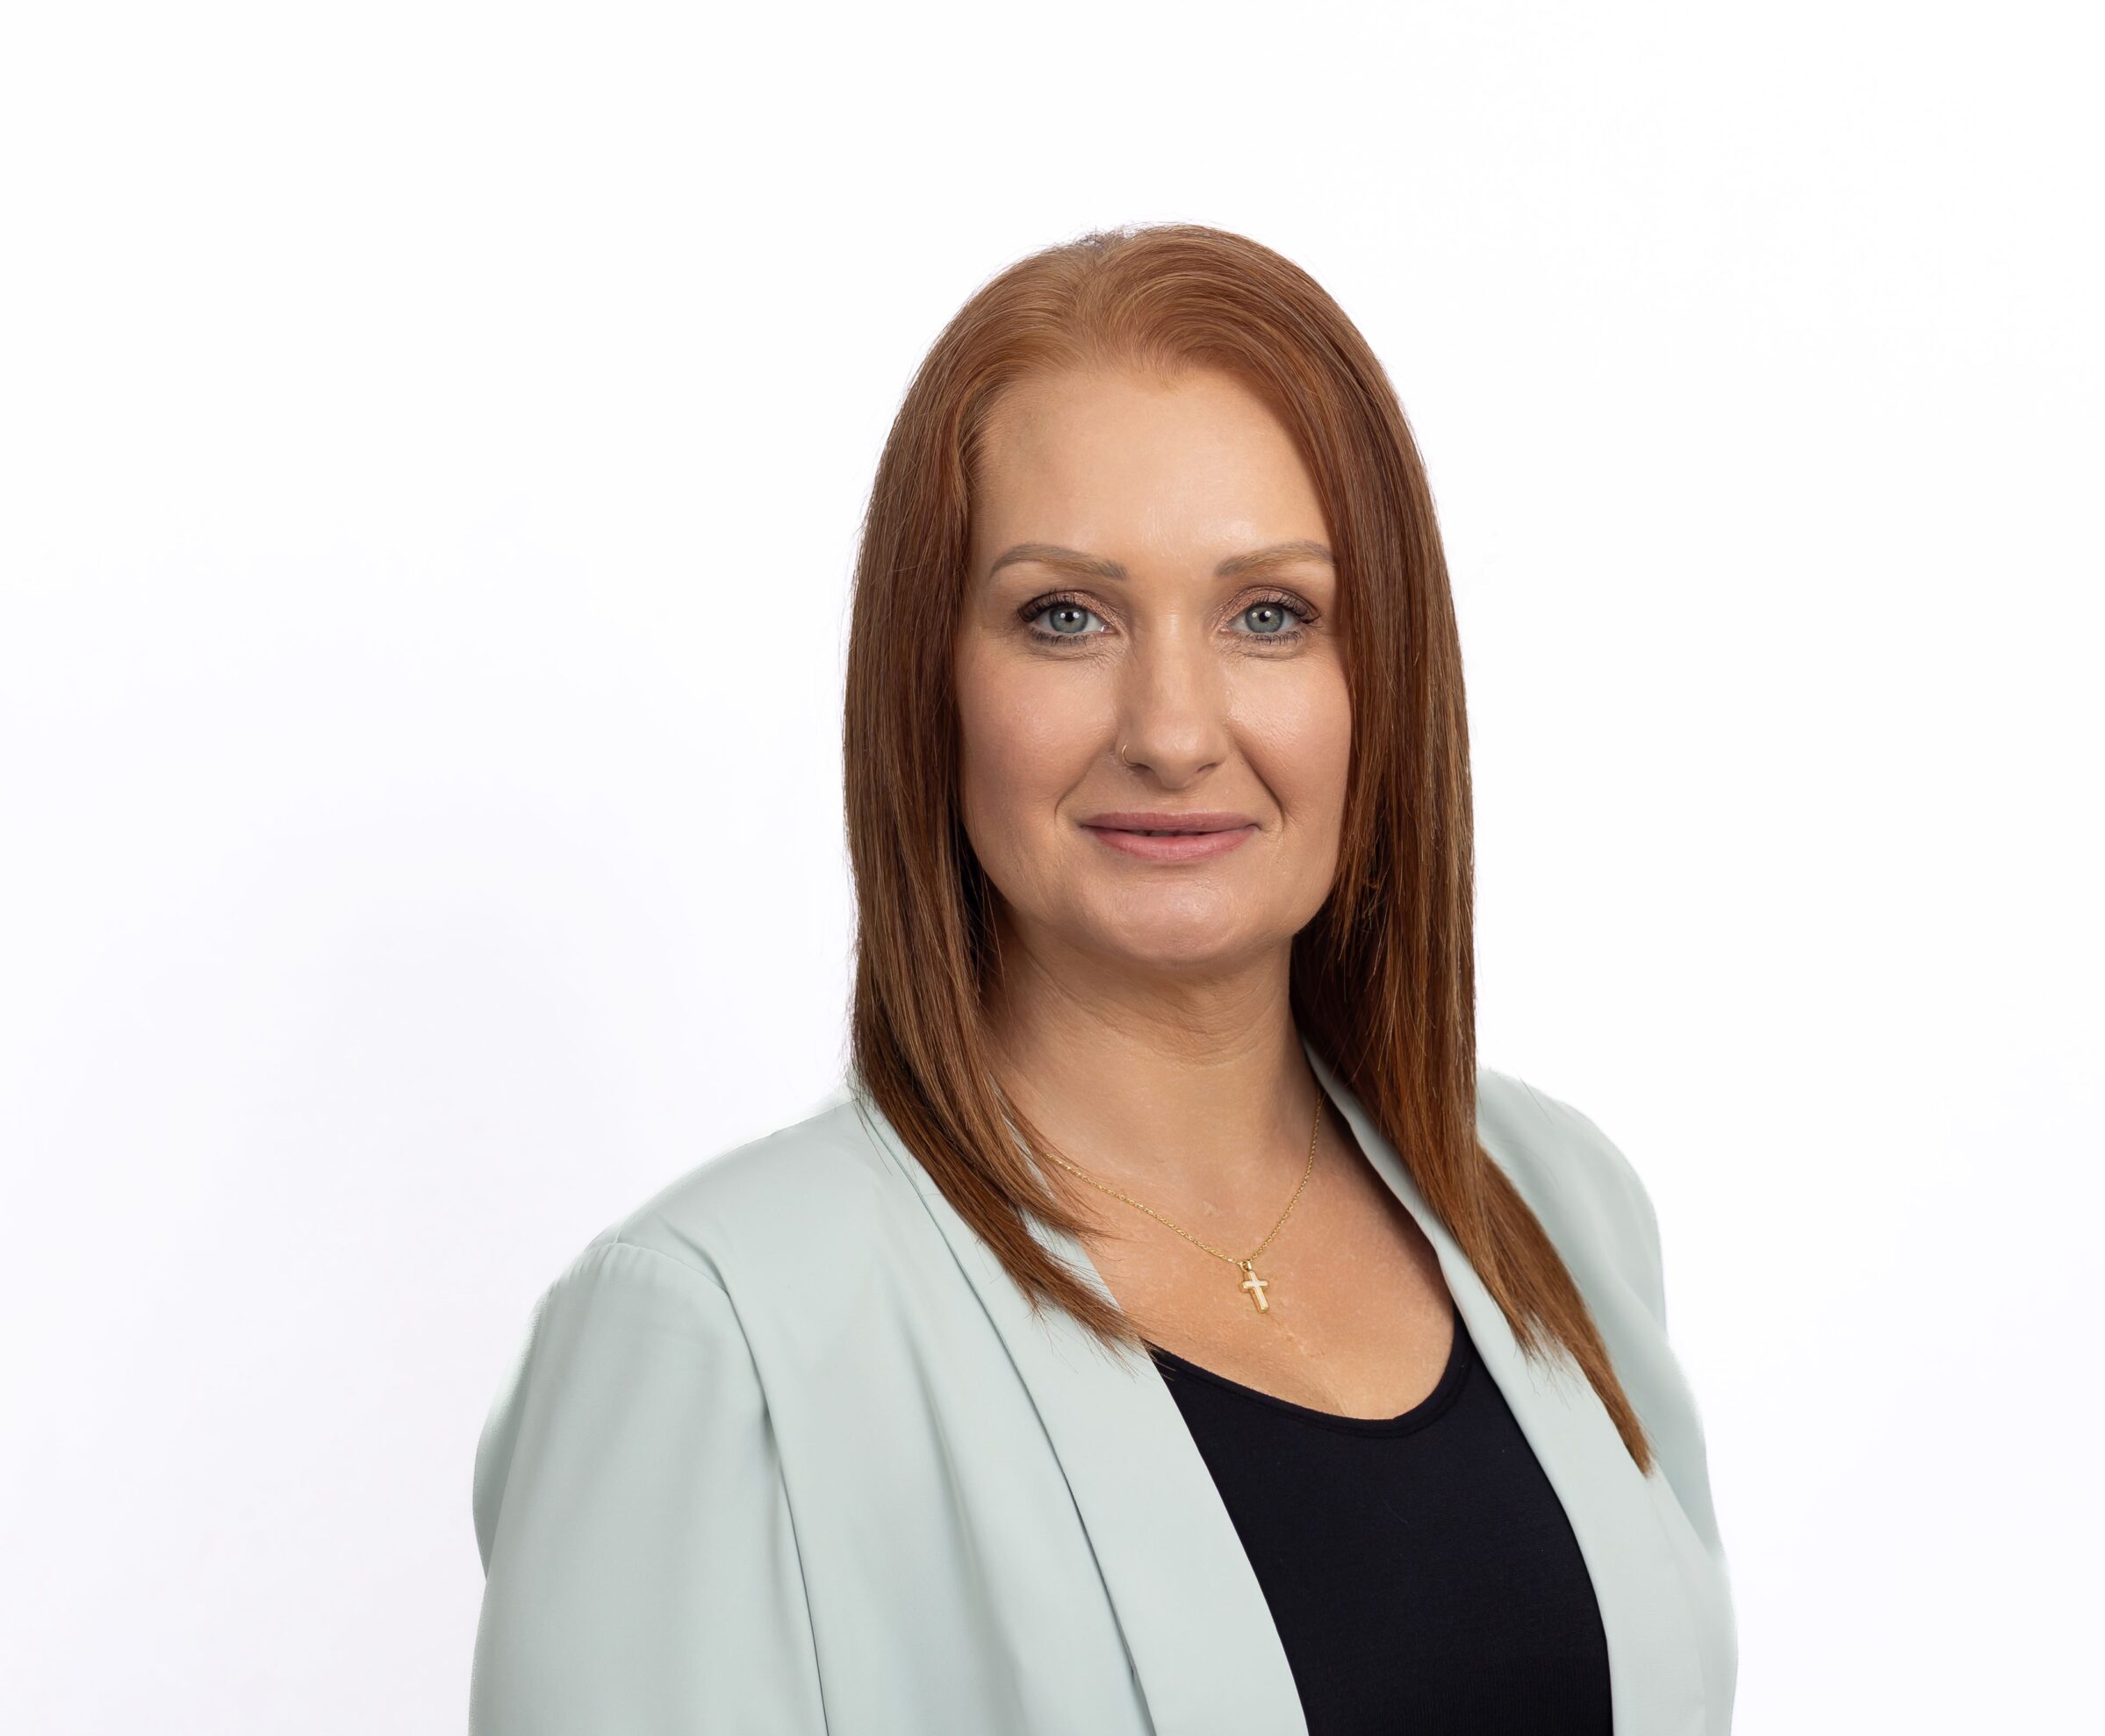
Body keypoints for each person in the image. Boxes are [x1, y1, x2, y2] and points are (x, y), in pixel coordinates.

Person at [467, 223, 1737, 1735]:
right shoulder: (722, 1335)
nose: (1174, 731)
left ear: (1384, 677)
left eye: (1271, 614)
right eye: (1065, 616)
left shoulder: (1554, 1200)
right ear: (930, 682)